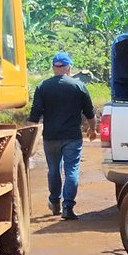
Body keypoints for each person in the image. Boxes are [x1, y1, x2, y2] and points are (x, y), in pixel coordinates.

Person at [28, 51, 96, 220]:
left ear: (53, 68)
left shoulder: (43, 86)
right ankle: (68, 207)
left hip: (50, 136)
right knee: (71, 169)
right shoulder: (78, 86)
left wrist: (29, 138)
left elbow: (34, 115)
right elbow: (90, 113)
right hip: (72, 136)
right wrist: (92, 129)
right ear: (68, 68)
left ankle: (54, 201)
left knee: (53, 169)